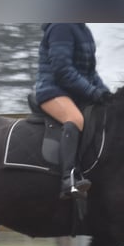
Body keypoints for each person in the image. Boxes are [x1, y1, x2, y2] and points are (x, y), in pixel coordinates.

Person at [34, 22, 112, 199]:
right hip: (52, 90)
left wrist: (106, 94)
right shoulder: (61, 27)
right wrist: (92, 92)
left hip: (74, 93)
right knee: (75, 118)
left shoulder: (84, 31)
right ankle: (68, 179)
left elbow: (91, 73)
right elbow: (62, 70)